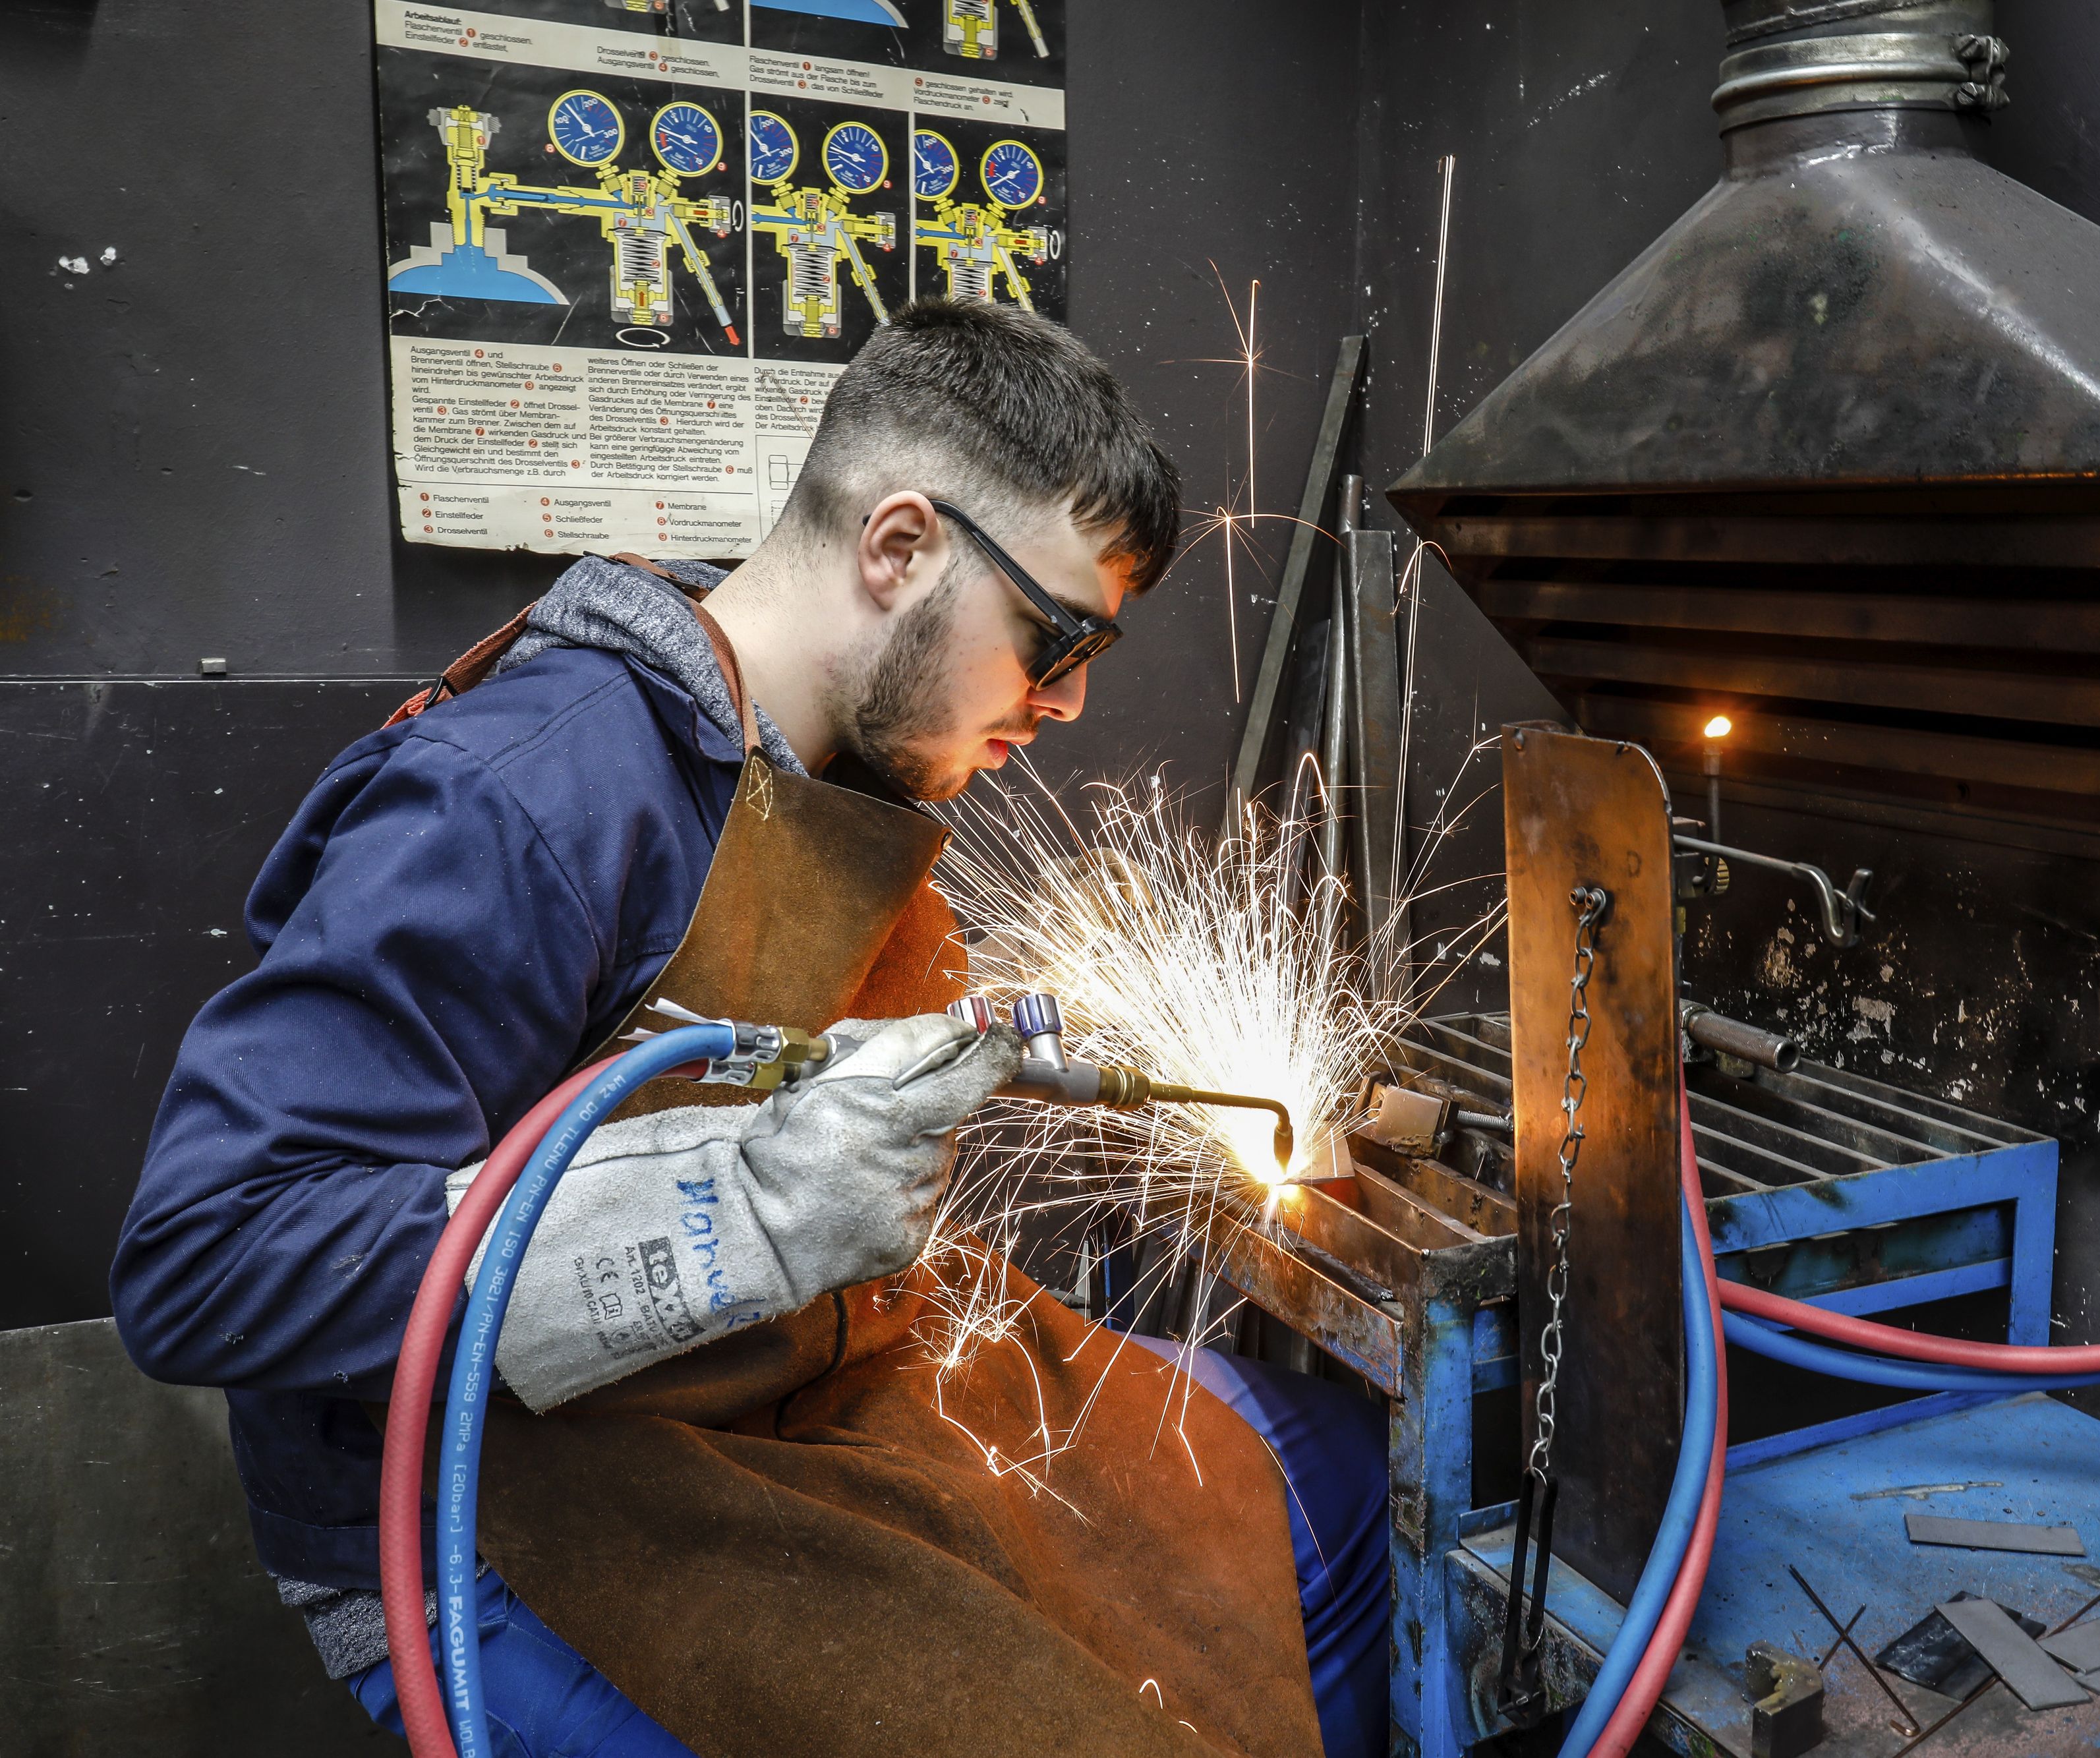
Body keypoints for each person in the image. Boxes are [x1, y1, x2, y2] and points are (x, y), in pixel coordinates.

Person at [112, 301, 1388, 1758]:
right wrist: (737, 1207)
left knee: (1320, 1478)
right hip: (503, 1520)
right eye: (1055, 634)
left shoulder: (825, 769)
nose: (1072, 697)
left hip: (781, 1401)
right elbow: (204, 1259)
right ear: (899, 547)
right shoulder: (523, 796)